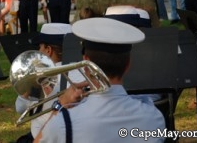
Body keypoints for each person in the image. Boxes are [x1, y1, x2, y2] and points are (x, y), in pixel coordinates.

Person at [34, 18, 165, 143]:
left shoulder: (64, 122)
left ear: (86, 65)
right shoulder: (153, 117)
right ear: (128, 65)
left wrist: (60, 104)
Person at [15, 23, 73, 143]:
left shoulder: (41, 77)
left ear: (48, 50)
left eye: (40, 47)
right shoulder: (82, 72)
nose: (38, 51)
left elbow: (20, 108)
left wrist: (27, 86)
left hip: (42, 138)